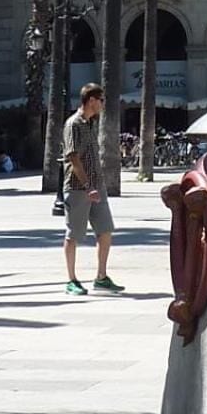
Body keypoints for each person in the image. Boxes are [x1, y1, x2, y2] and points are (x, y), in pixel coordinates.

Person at [62, 83, 123, 296]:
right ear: (91, 101)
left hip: (97, 187)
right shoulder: (74, 124)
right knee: (74, 235)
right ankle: (71, 280)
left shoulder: (90, 123)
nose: (103, 104)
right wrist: (87, 186)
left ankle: (101, 277)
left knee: (105, 230)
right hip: (79, 188)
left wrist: (96, 186)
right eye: (101, 100)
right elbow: (72, 157)